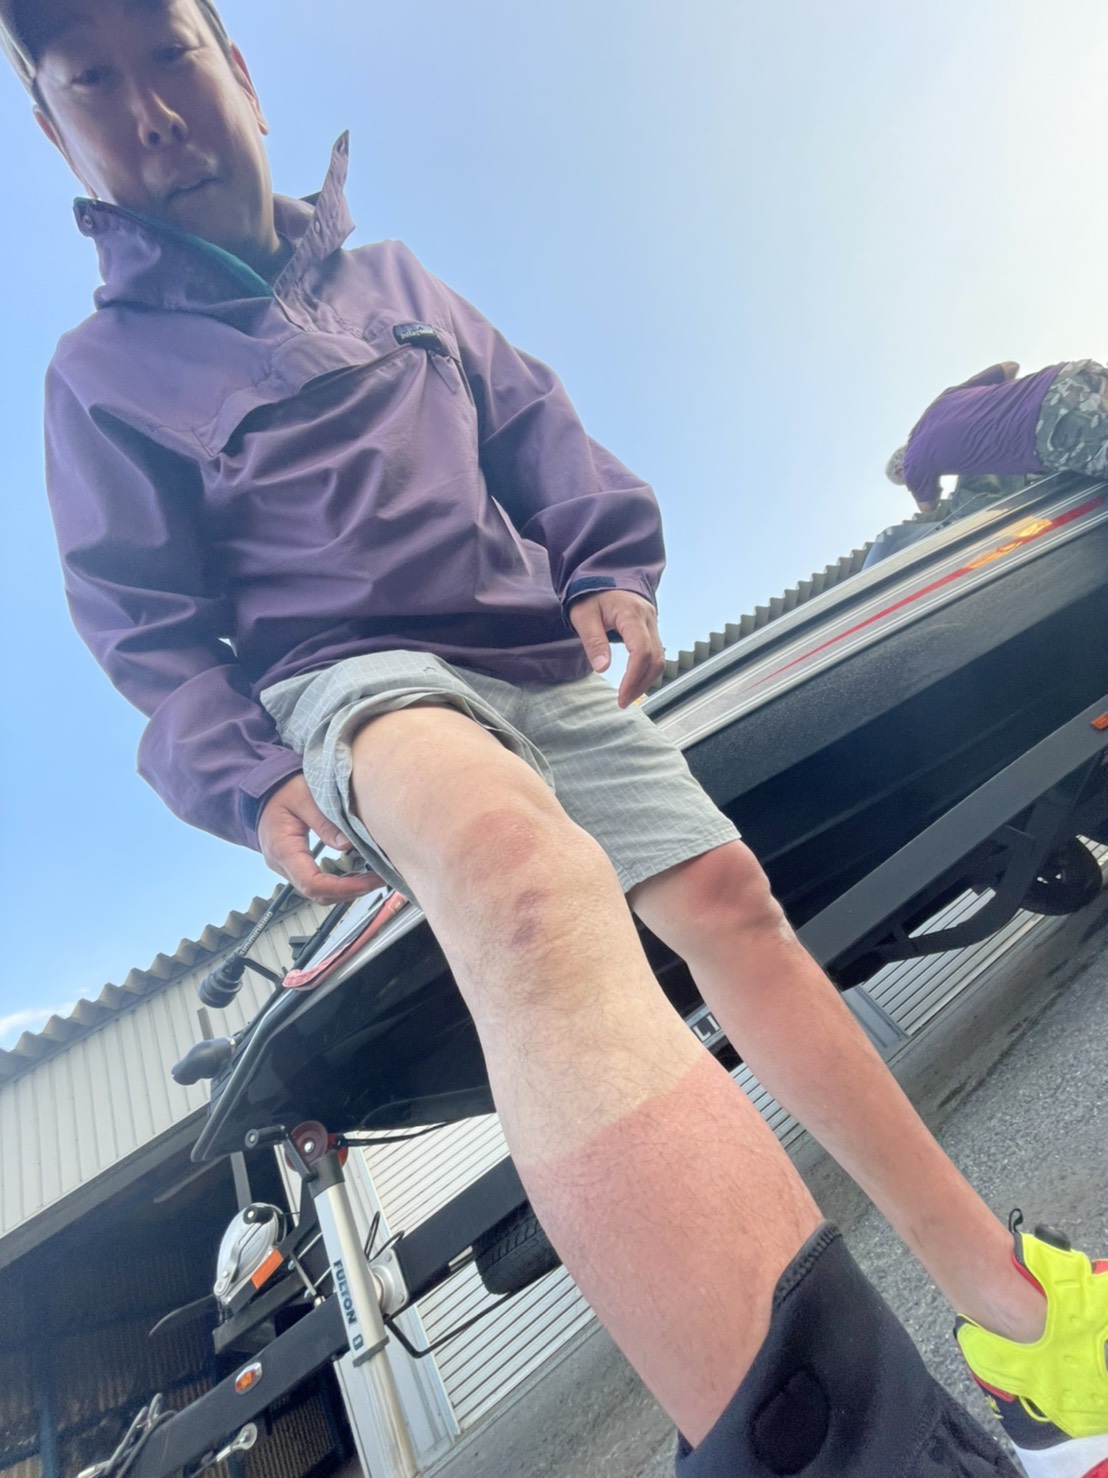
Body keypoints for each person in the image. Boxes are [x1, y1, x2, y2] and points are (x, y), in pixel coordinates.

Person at [3, 3, 1106, 1473]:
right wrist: (248, 774)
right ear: (52, 130)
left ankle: (1025, 1327)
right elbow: (141, 619)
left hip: (530, 649)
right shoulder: (99, 373)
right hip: (354, 682)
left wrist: (609, 563)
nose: (144, 107)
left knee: (733, 905)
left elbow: (535, 429)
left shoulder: (397, 280)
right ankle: (853, 1449)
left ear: (241, 75)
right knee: (516, 876)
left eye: (167, 56)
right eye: (90, 82)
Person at [887, 358, 1108, 514]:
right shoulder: (941, 401)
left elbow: (928, 507)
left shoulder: (912, 463)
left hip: (1053, 426)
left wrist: (917, 487)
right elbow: (1009, 367)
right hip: (1071, 376)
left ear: (899, 470)